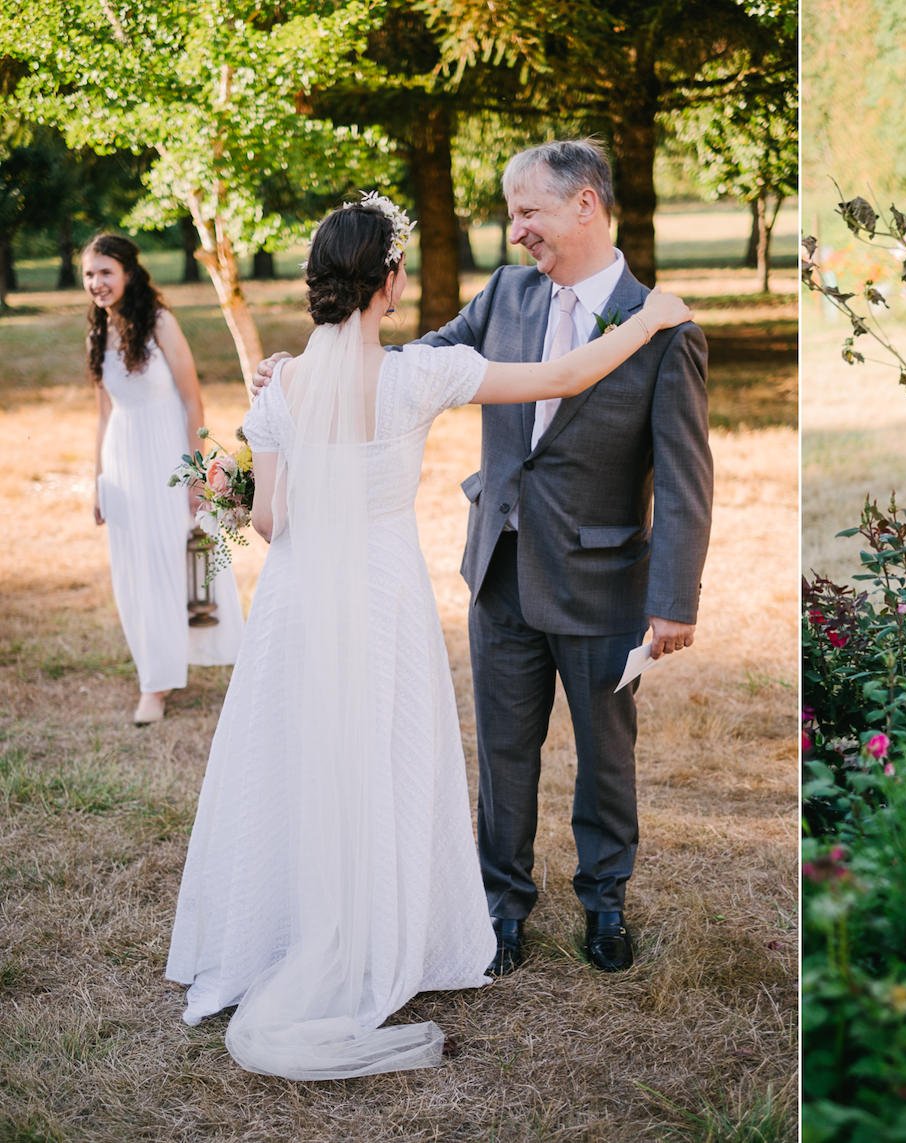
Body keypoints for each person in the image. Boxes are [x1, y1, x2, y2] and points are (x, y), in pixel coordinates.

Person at [166, 193, 693, 1081]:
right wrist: (651, 318)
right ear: (391, 281)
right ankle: (387, 929)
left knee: (295, 757)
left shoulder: (283, 383)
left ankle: (284, 931)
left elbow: (270, 521)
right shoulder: (418, 377)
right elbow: (564, 378)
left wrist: (240, 476)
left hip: (296, 600)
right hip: (379, 595)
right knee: (386, 757)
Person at [260, 140, 714, 976]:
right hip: (499, 569)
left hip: (604, 581)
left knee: (605, 756)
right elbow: (411, 360)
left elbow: (687, 476)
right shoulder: (503, 294)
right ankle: (500, 909)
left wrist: (674, 598)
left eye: (527, 213)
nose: (516, 234)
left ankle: (604, 903)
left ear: (586, 204)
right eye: (512, 217)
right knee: (503, 751)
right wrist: (315, 372)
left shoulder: (664, 323)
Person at [84, 233, 243, 725]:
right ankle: (155, 681)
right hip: (124, 464)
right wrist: (97, 479)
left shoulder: (160, 322)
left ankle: (235, 660)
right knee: (136, 572)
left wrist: (197, 475)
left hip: (170, 461)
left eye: (105, 272)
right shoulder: (98, 330)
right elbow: (104, 411)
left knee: (186, 560)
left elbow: (194, 400)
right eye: (89, 274)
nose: (97, 283)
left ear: (128, 272)